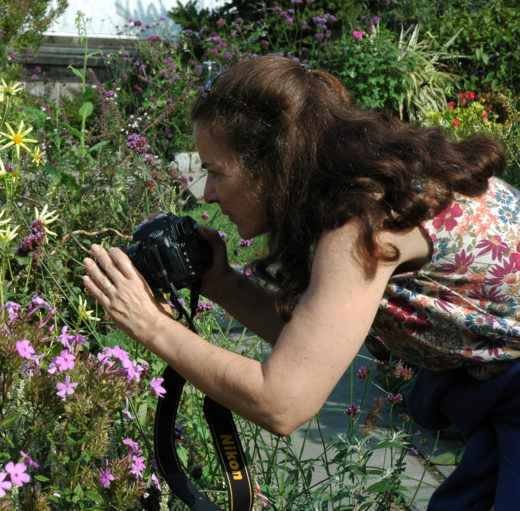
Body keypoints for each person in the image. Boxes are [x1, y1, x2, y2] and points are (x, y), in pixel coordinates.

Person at [82, 55, 520, 510]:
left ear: (272, 163)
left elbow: (282, 403)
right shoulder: (360, 190)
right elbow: (315, 346)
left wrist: (149, 324)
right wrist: (222, 283)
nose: (207, 193)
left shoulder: (364, 221)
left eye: (214, 171)